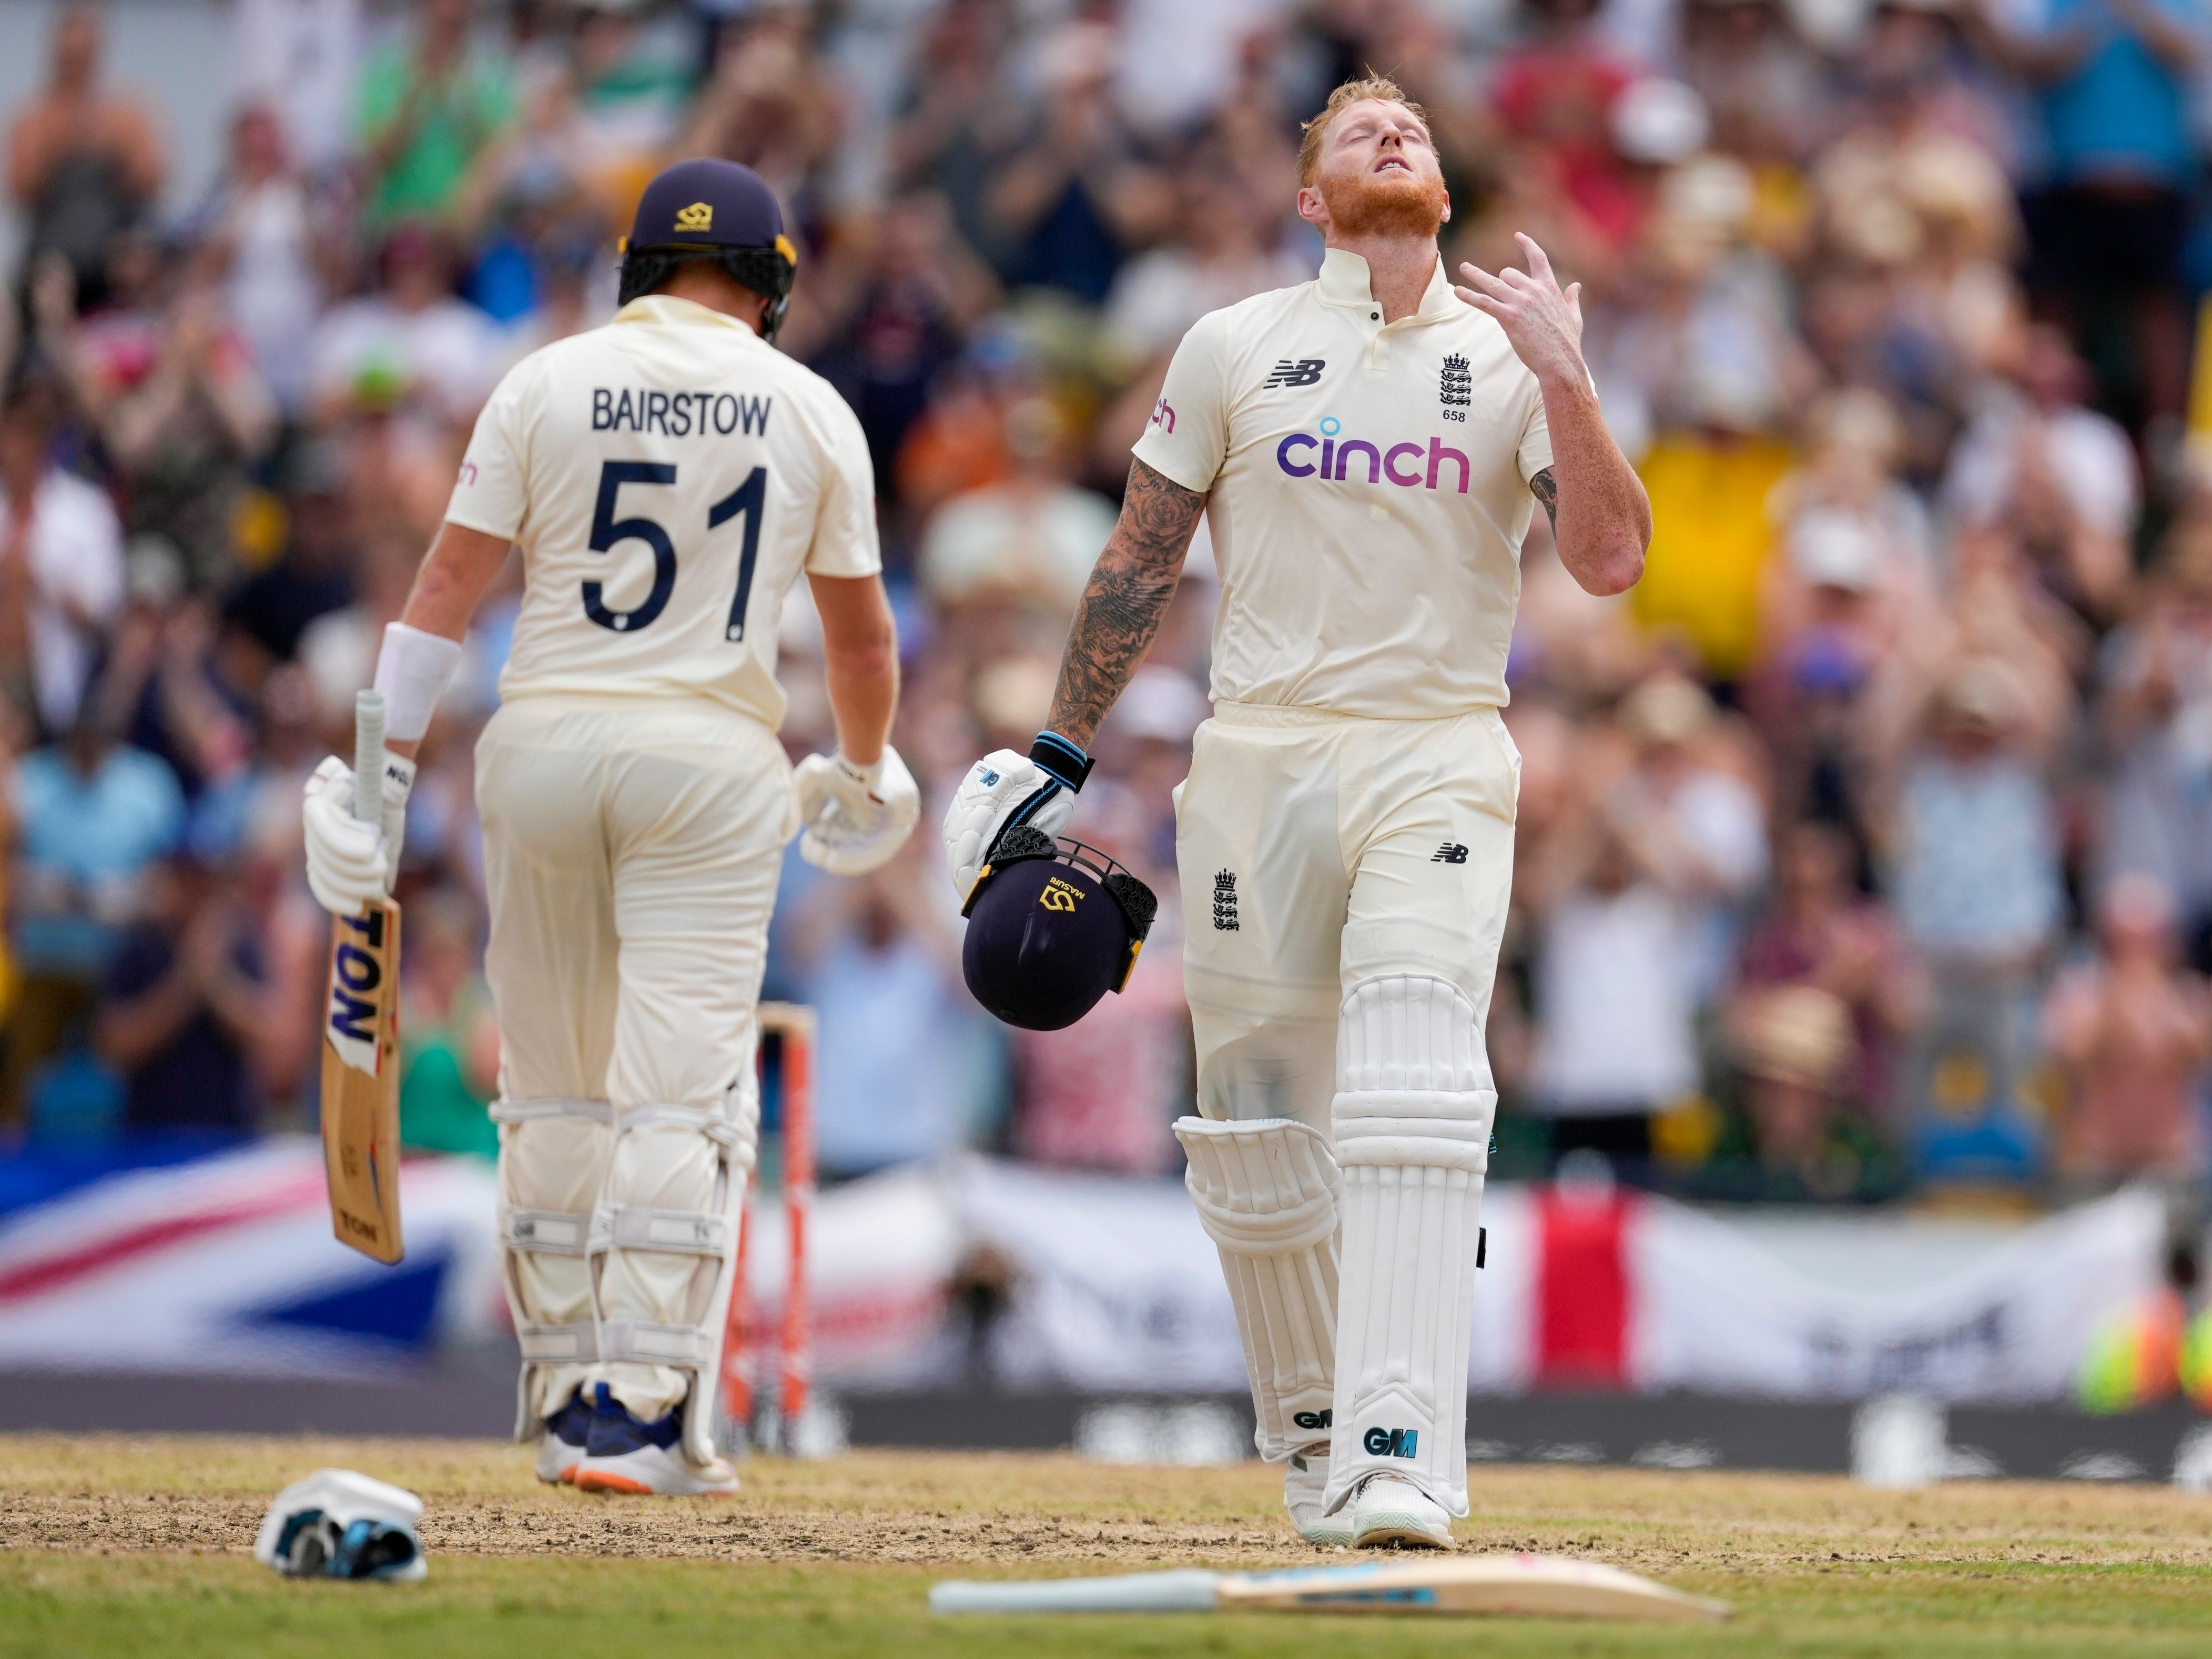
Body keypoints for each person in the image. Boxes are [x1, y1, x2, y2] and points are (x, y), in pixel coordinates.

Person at [942, 77, 1649, 1548]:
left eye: (1413, 128)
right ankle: (1320, 1436)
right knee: (1254, 1126)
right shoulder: (1233, 345)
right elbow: (1138, 557)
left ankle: (1404, 1448)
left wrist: (1568, 380)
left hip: (1436, 750)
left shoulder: (1511, 352)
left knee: (1409, 1077)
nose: (1395, 135)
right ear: (1310, 197)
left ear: (1441, 188)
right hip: (1256, 755)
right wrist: (1055, 755)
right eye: (1355, 131)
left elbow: (1606, 562)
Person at [300, 159, 917, 1497]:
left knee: (555, 1082)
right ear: (770, 286)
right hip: (705, 757)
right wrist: (865, 768)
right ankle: (635, 1411)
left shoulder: (544, 378)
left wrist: (378, 775)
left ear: (642, 266)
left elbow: (444, 590)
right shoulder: (808, 405)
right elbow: (862, 638)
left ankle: (563, 1381)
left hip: (542, 747)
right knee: (679, 1089)